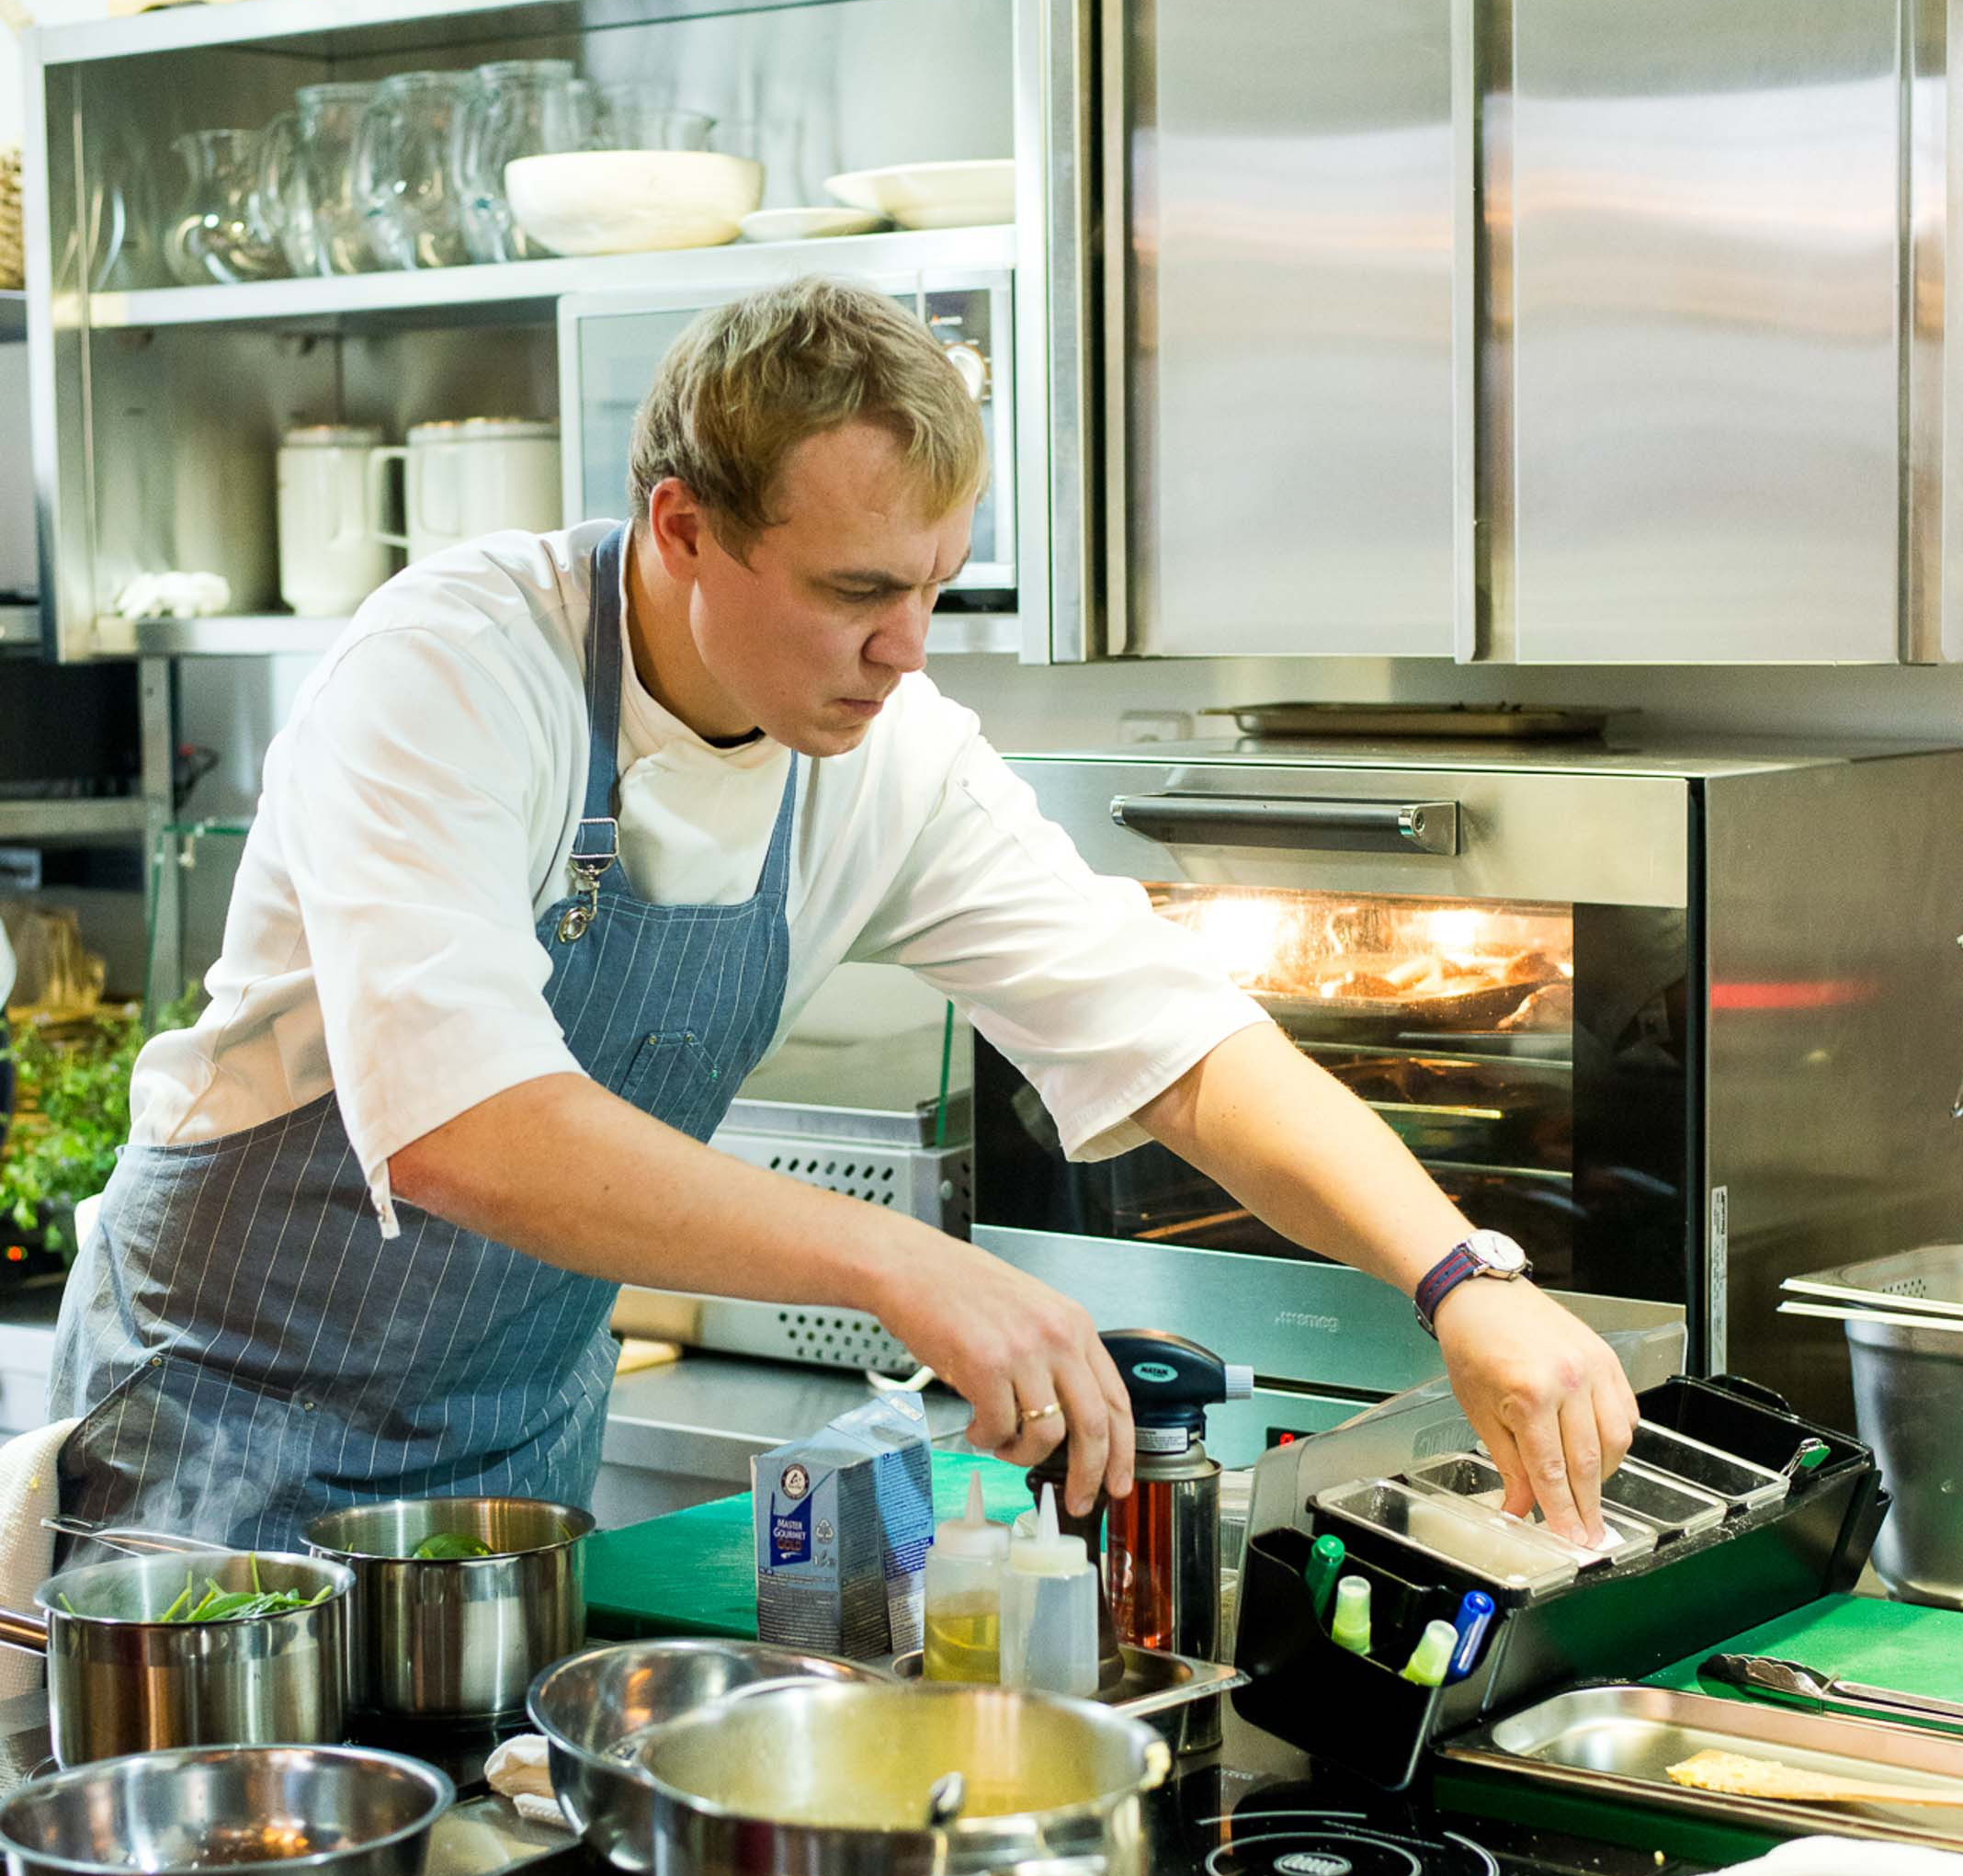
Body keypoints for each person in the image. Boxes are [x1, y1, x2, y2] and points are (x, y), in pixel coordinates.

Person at [51, 279, 1634, 1551]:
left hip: (509, 1456)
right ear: (683, 528)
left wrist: (1460, 1280)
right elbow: (466, 1128)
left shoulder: (887, 753)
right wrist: (904, 1266)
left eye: (935, 586)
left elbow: (1177, 1043)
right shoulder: (455, 670)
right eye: (857, 591)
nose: (907, 648)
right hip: (224, 1437)